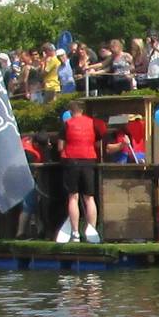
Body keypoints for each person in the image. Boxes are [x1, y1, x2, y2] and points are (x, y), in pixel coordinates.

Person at [56, 104, 102, 243]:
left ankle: (75, 233)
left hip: (71, 161)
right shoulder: (92, 123)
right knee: (90, 198)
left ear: (70, 111)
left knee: (73, 197)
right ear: (83, 110)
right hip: (89, 160)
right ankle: (92, 231)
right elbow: (99, 143)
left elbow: (60, 147)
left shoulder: (67, 124)